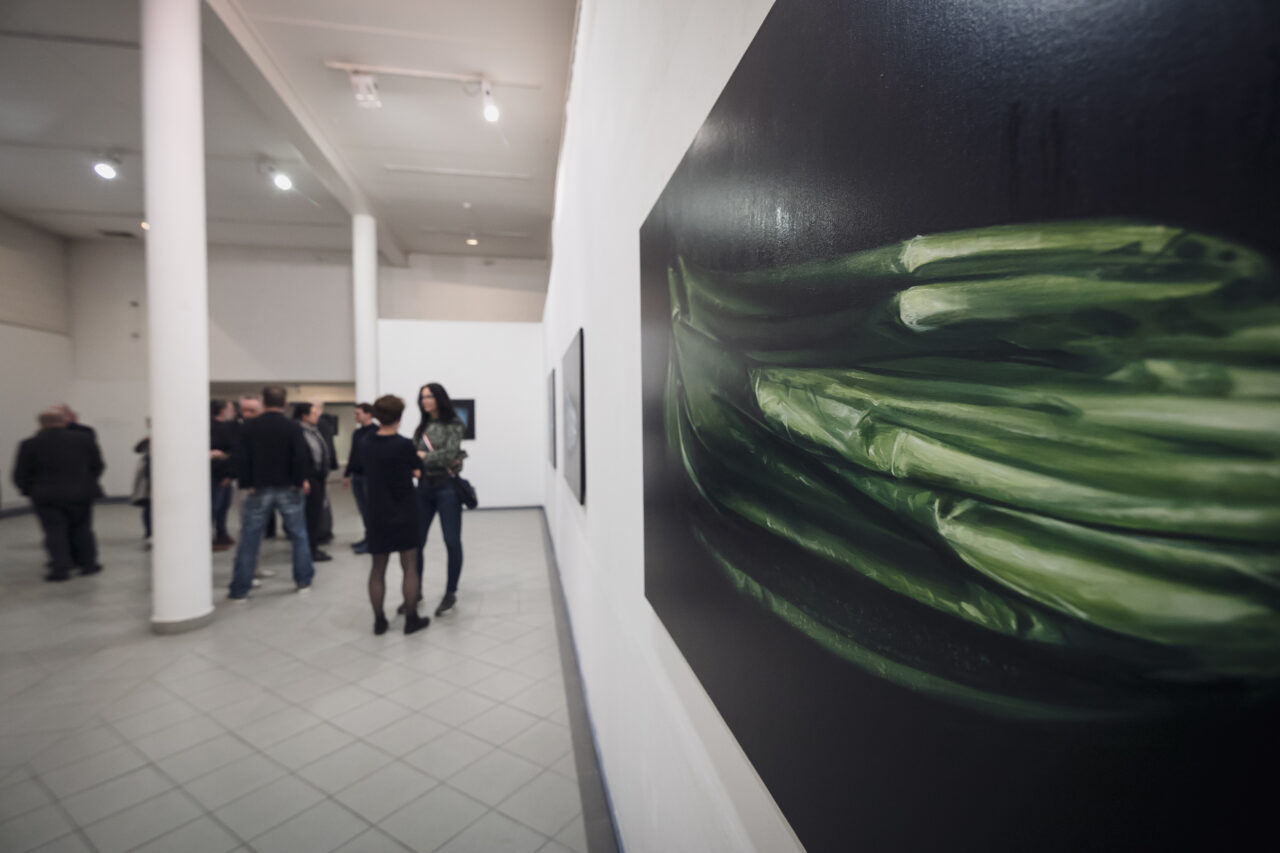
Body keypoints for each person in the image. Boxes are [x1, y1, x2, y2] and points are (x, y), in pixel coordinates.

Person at [228, 385, 314, 600]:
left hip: (258, 488)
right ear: (285, 404)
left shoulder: (249, 427)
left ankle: (240, 589)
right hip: (289, 488)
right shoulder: (293, 427)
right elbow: (300, 456)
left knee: (249, 538)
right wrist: (299, 481)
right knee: (299, 535)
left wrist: (247, 483)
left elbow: (241, 458)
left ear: (263, 403)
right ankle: (303, 580)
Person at [12, 408, 105, 581]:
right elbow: (97, 465)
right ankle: (88, 564)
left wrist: (30, 491)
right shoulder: (84, 440)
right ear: (64, 421)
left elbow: (21, 473)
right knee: (82, 529)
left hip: (46, 495)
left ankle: (60, 568)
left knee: (54, 531)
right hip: (80, 493)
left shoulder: (29, 444)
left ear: (40, 424)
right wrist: (88, 482)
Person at [363, 395, 430, 635]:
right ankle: (411, 619)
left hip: (377, 512)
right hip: (404, 511)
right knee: (409, 566)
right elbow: (417, 471)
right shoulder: (404, 445)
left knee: (377, 568)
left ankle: (379, 621)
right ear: (399, 417)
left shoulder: (366, 443)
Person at [413, 382, 468, 616]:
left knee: (452, 542)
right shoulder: (422, 426)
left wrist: (423, 456)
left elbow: (449, 456)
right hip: (423, 489)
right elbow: (415, 455)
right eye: (422, 397)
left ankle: (450, 592)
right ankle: (415, 591)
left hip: (446, 489)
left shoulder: (453, 424)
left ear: (439, 398)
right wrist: (421, 459)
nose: (425, 401)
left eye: (429, 396)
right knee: (416, 543)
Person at [293, 402, 332, 563]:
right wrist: (303, 478)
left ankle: (312, 547)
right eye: (314, 413)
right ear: (304, 416)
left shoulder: (313, 431)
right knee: (310, 516)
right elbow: (298, 457)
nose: (317, 416)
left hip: (317, 478)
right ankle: (309, 550)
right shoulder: (298, 432)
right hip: (308, 480)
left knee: (315, 515)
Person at [344, 403, 377, 554]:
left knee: (371, 511)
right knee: (363, 511)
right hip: (357, 476)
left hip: (369, 477)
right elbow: (353, 453)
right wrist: (347, 474)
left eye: (358, 414)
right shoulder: (357, 433)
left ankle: (372, 541)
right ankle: (368, 538)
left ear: (368, 414)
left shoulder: (376, 431)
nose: (355, 417)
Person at [210, 399, 238, 550]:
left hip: (226, 474)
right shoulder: (211, 428)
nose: (233, 412)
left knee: (224, 506)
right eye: (230, 409)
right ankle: (209, 537)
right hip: (216, 474)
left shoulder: (229, 427)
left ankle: (221, 534)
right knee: (214, 507)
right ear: (222, 411)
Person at [131, 422, 151, 546]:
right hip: (148, 478)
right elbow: (137, 449)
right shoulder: (148, 439)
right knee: (148, 507)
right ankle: (149, 533)